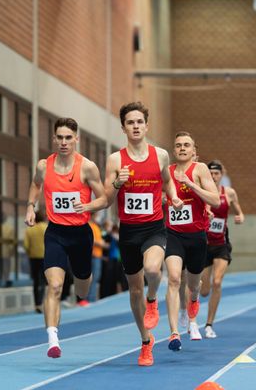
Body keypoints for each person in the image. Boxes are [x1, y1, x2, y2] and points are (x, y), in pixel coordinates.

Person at [104, 101, 183, 366]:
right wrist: (118, 182)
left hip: (153, 227)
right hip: (128, 231)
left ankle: (153, 300)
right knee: (134, 290)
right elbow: (106, 197)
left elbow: (168, 181)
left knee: (152, 270)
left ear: (146, 126)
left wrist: (173, 197)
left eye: (139, 122)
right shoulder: (116, 160)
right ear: (124, 128)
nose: (135, 126)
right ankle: (145, 342)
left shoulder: (160, 155)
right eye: (130, 122)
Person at [25, 117, 107, 358]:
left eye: (68, 138)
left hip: (81, 234)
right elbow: (35, 184)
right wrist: (31, 205)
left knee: (82, 289)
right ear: (53, 139)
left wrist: (87, 205)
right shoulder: (43, 165)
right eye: (59, 137)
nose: (63, 142)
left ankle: (83, 282)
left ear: (76, 139)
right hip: (56, 233)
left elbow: (104, 199)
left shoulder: (87, 167)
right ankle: (53, 339)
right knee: (55, 285)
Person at [164, 132, 220, 349]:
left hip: (196, 236)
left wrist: (191, 184)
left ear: (193, 149)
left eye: (186, 145)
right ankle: (174, 333)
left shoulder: (200, 169)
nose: (182, 148)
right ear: (174, 149)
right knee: (175, 279)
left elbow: (214, 199)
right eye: (178, 145)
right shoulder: (167, 172)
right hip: (173, 234)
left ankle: (193, 304)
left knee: (194, 285)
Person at [194, 159, 245, 339]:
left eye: (217, 173)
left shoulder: (229, 193)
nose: (214, 176)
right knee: (205, 289)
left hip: (222, 244)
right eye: (211, 173)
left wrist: (240, 217)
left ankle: (209, 324)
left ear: (221, 175)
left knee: (217, 282)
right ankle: (193, 310)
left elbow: (239, 211)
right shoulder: (201, 192)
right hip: (204, 245)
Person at [24, 210, 48, 313]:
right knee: (43, 280)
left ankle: (36, 303)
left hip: (33, 258)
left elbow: (26, 245)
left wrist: (30, 253)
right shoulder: (47, 228)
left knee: (36, 280)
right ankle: (41, 302)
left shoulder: (30, 229)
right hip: (45, 257)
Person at [88, 212, 105, 302]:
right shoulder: (90, 225)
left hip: (97, 255)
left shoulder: (95, 226)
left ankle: (92, 297)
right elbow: (92, 239)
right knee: (94, 277)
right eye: (97, 215)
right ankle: (91, 299)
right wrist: (101, 243)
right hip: (93, 255)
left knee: (96, 277)